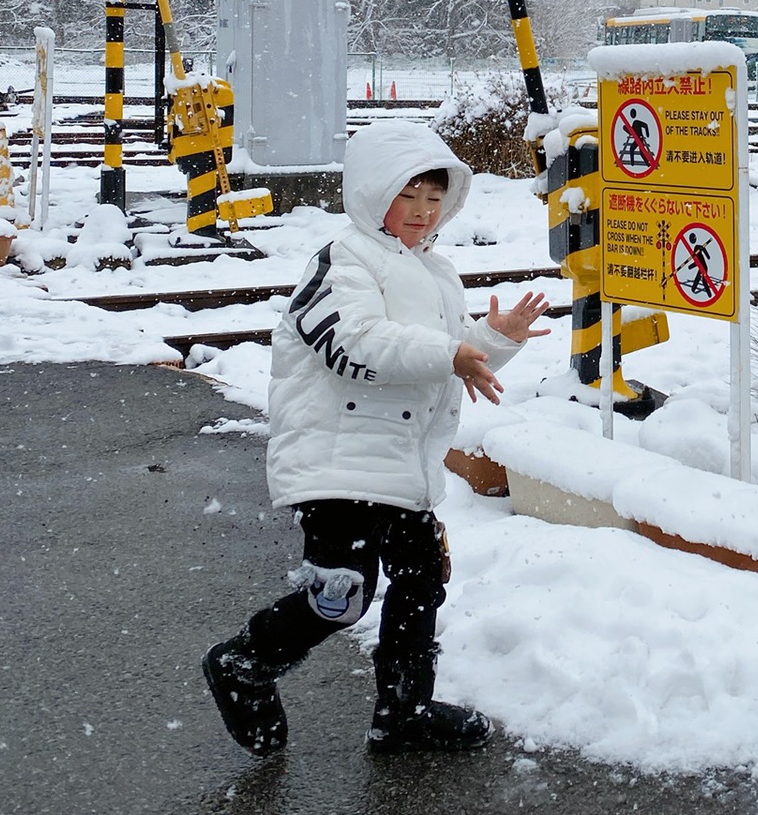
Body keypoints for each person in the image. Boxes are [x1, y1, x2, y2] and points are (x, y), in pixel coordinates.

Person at [202, 121, 550, 758]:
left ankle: (403, 713)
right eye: (407, 196)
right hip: (339, 463)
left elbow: (443, 356)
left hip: (401, 466)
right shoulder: (342, 261)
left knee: (422, 584)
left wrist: (492, 337)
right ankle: (244, 662)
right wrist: (452, 352)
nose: (422, 212)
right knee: (342, 595)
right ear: (370, 195)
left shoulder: (434, 270)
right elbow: (354, 343)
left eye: (433, 198)